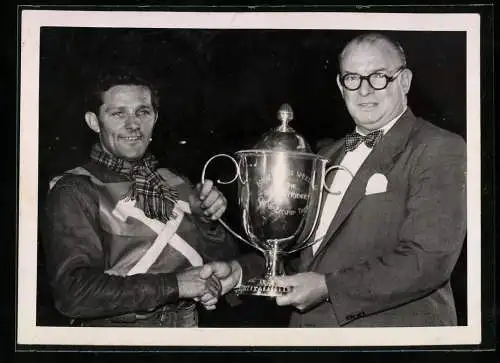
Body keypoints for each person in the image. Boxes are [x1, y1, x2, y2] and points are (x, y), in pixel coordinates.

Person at [201, 32, 467, 327]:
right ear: (341, 87)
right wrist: (240, 272)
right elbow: (300, 255)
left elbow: (427, 260)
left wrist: (328, 287)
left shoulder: (439, 148)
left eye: (378, 76)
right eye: (352, 78)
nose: (364, 91)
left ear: (404, 81)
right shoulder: (327, 155)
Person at [42, 68, 239, 327]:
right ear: (93, 121)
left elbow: (224, 265)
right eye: (118, 113)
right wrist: (176, 285)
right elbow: (74, 293)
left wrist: (207, 222)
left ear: (155, 118)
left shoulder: (176, 182)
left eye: (142, 112)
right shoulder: (75, 189)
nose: (133, 124)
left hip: (188, 329)